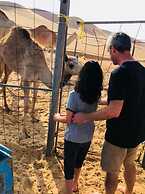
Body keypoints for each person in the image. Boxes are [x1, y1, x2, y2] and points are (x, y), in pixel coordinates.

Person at [73, 32, 145, 194]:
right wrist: (99, 100)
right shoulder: (142, 71)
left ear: (113, 49)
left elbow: (113, 111)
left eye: (108, 51)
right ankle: (128, 191)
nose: (109, 55)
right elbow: (128, 98)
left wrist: (85, 117)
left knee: (112, 173)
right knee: (130, 164)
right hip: (137, 133)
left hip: (118, 136)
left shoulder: (119, 73)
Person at [54, 60, 103, 194]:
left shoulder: (73, 95)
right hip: (87, 136)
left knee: (69, 165)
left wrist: (57, 117)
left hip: (73, 137)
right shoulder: (96, 95)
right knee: (79, 161)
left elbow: (69, 119)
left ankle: (69, 191)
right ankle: (75, 184)